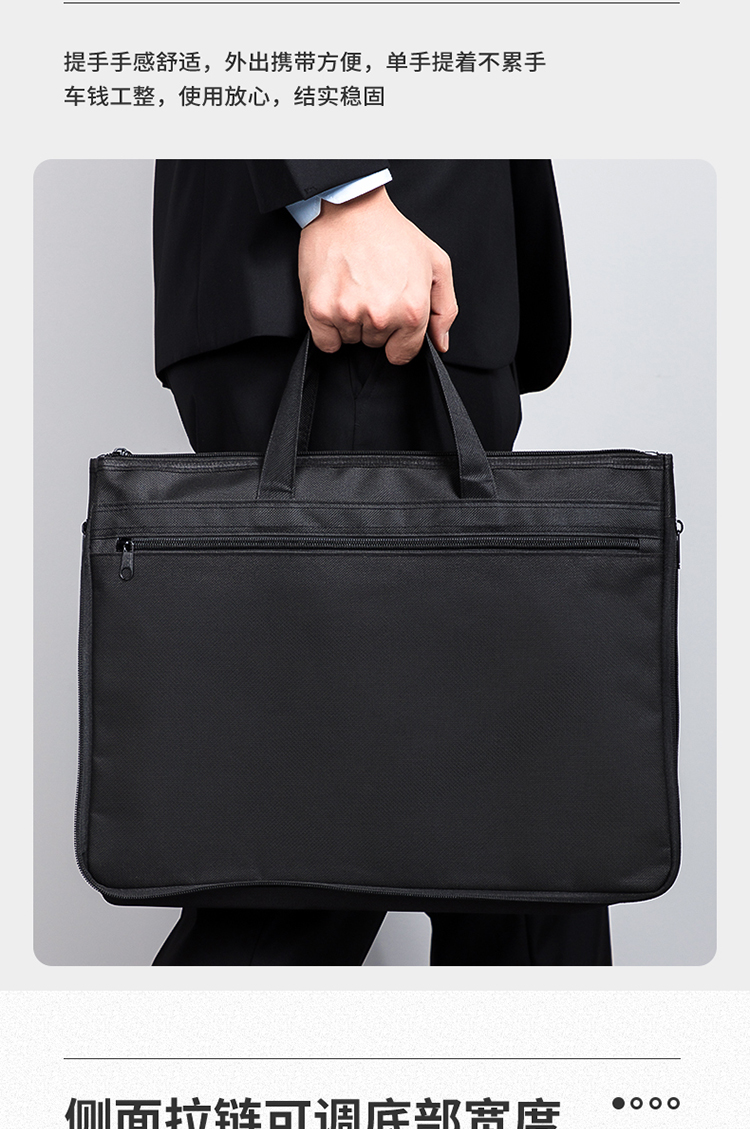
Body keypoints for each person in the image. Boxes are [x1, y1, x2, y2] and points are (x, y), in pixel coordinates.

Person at [150, 160, 612, 966]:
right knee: (326, 859)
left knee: (523, 830)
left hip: (426, 280)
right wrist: (341, 191)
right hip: (357, 269)